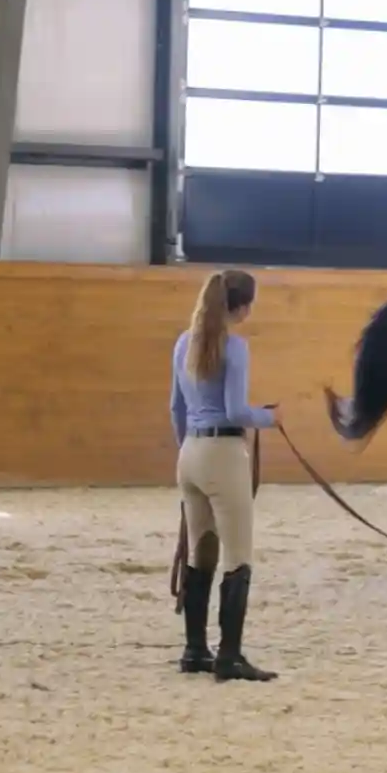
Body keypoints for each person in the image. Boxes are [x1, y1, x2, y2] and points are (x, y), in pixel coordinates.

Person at [169, 268, 279, 682]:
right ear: (243, 306)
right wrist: (269, 418)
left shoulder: (184, 343)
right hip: (223, 452)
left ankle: (195, 649)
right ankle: (229, 656)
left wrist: (188, 447)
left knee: (201, 553)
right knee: (238, 557)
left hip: (190, 452)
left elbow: (175, 409)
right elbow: (235, 412)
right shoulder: (235, 347)